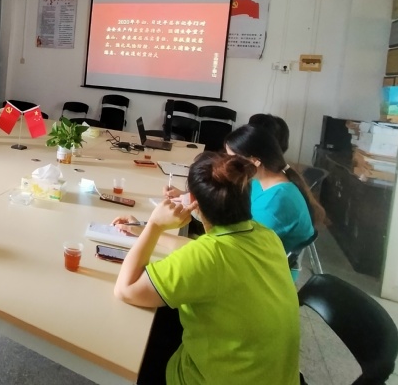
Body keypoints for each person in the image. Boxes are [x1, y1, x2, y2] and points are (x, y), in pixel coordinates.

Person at [113, 152, 300, 385]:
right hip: (274, 376)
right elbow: (200, 251)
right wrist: (142, 231)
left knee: (141, 338)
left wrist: (154, 225)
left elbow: (126, 289)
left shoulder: (208, 257)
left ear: (192, 201)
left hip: (213, 379)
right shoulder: (265, 235)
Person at [225, 123, 325, 253]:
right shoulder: (262, 180)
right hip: (257, 245)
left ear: (255, 160)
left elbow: (247, 248)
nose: (228, 164)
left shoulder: (275, 201)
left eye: (232, 159)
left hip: (264, 258)